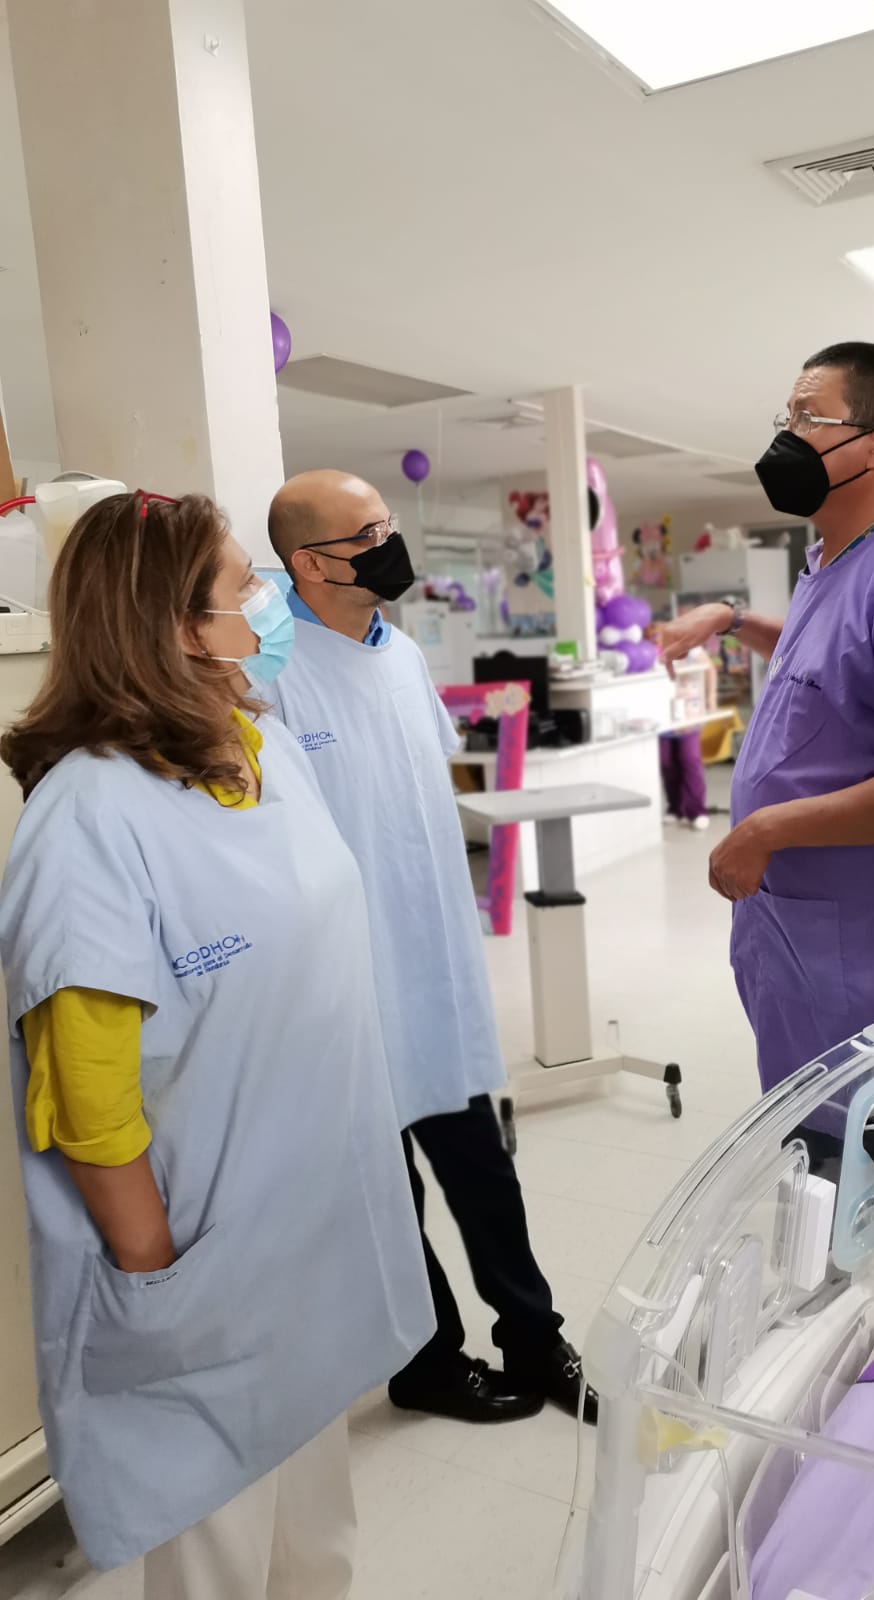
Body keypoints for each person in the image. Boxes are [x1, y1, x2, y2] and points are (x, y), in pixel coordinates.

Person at [0, 491, 433, 1596]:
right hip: (204, 1265)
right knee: (220, 1557)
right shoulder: (88, 817)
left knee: (315, 1544)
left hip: (308, 1237)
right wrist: (163, 1283)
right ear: (180, 626)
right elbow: (89, 1096)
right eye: (247, 585)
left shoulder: (261, 746)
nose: (270, 601)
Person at [263, 469, 595, 1426]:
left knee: (484, 1171)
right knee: (386, 1190)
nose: (391, 544)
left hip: (433, 966)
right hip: (342, 981)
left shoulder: (401, 655)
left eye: (389, 523)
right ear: (311, 563)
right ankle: (427, 1359)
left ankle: (533, 1338)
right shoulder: (267, 675)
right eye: (369, 533)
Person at [658, 342, 874, 1092]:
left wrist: (769, 828)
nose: (789, 435)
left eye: (810, 418)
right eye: (787, 417)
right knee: (814, 1139)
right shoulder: (839, 559)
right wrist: (732, 619)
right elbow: (839, 663)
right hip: (809, 945)